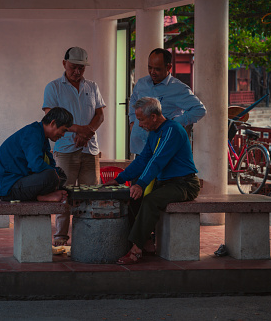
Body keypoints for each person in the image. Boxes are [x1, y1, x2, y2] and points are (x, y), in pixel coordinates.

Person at [105, 97, 200, 265]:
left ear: (154, 117)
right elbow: (143, 160)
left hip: (184, 184)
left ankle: (136, 250)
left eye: (141, 119)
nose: (139, 124)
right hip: (165, 184)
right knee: (132, 199)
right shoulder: (154, 133)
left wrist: (141, 184)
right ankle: (146, 242)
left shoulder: (173, 130)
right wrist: (119, 179)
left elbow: (157, 161)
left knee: (150, 200)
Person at [43, 46, 106, 245]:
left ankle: (89, 236)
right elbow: (50, 117)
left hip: (89, 149)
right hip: (65, 150)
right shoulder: (53, 87)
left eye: (81, 68)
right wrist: (78, 130)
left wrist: (87, 133)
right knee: (64, 195)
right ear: (64, 64)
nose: (77, 72)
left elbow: (100, 115)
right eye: (73, 67)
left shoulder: (92, 87)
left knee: (90, 195)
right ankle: (61, 237)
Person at [129, 48, 206, 155]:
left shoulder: (178, 88)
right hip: (140, 146)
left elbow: (199, 109)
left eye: (157, 69)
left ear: (168, 67)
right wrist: (132, 121)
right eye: (149, 68)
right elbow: (133, 100)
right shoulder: (142, 83)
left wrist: (174, 123)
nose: (152, 72)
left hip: (163, 148)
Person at [0, 107, 73, 202]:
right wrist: (53, 174)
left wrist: (55, 173)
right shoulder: (32, 133)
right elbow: (36, 165)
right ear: (53, 123)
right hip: (8, 189)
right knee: (51, 175)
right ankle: (40, 197)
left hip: (22, 182)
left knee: (60, 174)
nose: (63, 135)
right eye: (63, 130)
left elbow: (49, 164)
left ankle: (46, 194)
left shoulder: (43, 136)